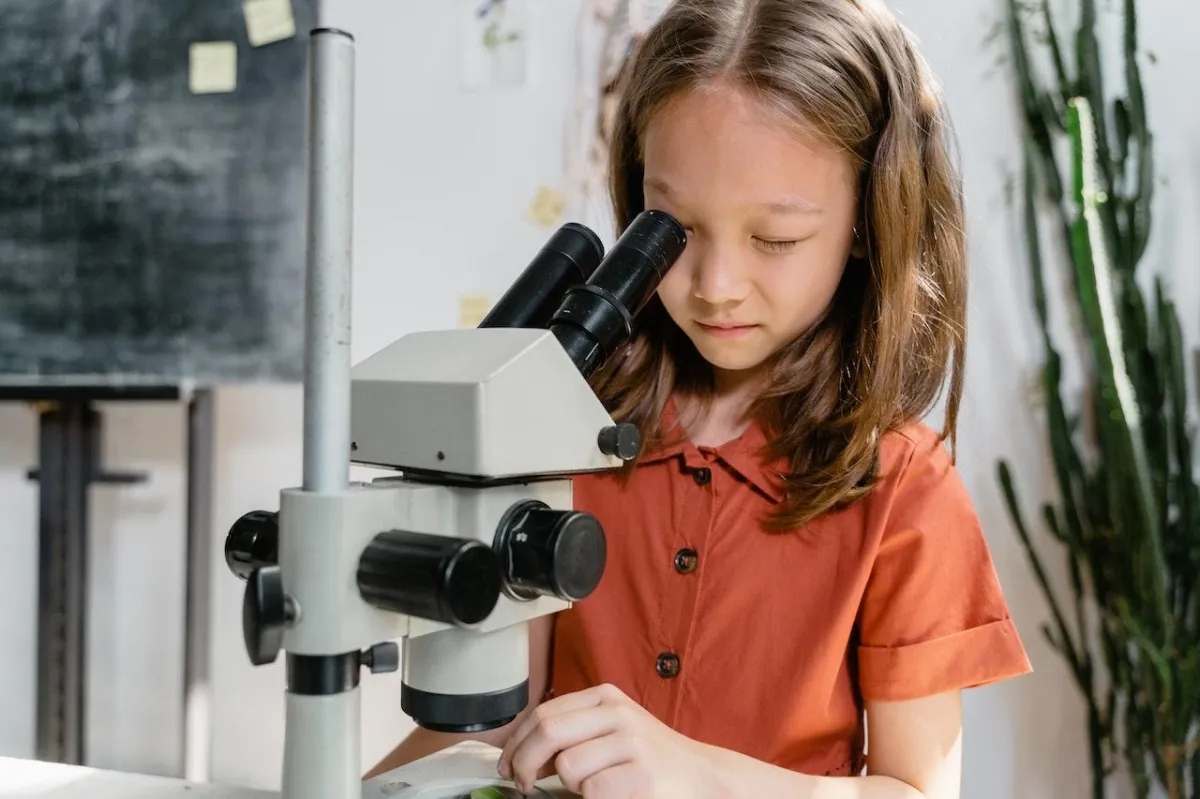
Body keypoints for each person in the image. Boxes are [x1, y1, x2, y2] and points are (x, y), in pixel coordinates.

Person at [369, 0, 1032, 796]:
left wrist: (697, 773)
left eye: (775, 239)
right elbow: (489, 721)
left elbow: (916, 790)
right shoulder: (562, 426)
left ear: (866, 219)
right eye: (675, 226)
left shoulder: (904, 489)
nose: (715, 287)